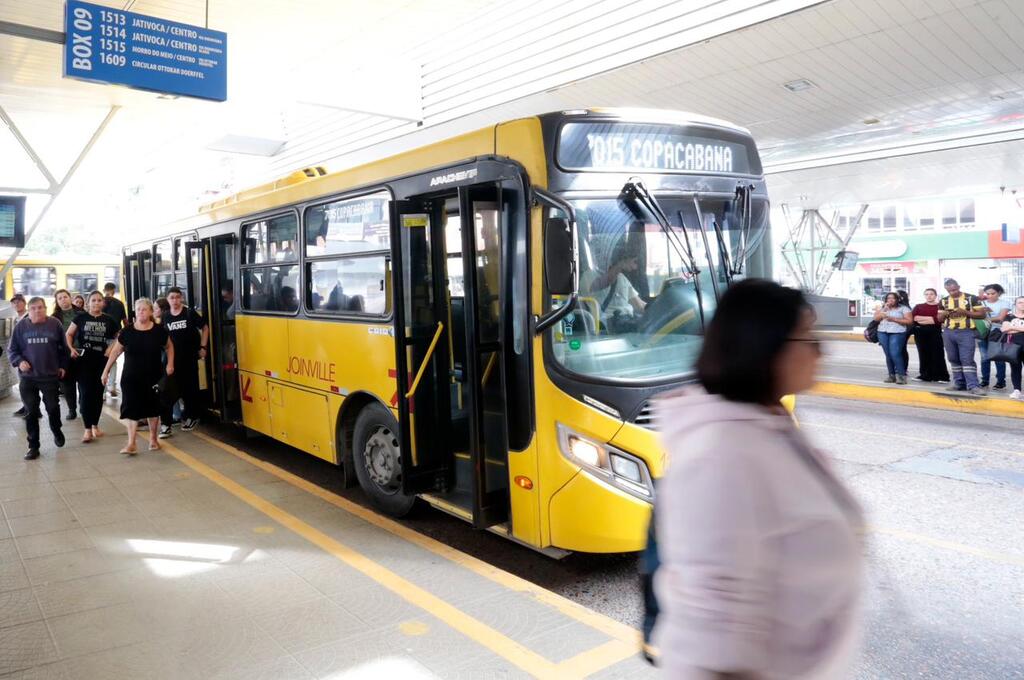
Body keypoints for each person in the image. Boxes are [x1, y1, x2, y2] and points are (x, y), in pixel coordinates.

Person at [654, 279, 863, 679]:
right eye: (808, 336)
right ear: (765, 346)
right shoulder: (721, 455)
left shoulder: (768, 423)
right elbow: (711, 628)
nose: (822, 349)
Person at [101, 298, 173, 454]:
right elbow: (115, 352)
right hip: (131, 377)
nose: (141, 312)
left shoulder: (159, 330)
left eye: (145, 309)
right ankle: (131, 443)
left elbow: (169, 346)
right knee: (131, 407)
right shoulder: (127, 331)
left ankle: (153, 440)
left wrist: (170, 364)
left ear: (151, 312)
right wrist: (105, 371)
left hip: (153, 376)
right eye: (138, 309)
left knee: (153, 408)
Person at [8, 297, 69, 460]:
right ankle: (33, 446)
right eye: (33, 308)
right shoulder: (21, 327)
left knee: (52, 408)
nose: (37, 311)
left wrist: (63, 366)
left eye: (40, 307)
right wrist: (19, 362)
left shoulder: (55, 324)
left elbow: (64, 349)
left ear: (45, 308)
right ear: (29, 310)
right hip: (28, 378)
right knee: (31, 412)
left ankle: (56, 429)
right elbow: (12, 350)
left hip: (49, 376)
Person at [65, 291, 119, 443]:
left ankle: (95, 425)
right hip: (84, 361)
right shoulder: (80, 317)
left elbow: (119, 336)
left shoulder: (109, 320)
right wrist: (71, 348)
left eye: (99, 300)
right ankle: (87, 429)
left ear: (103, 303)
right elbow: (69, 334)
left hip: (102, 361)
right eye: (93, 300)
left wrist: (111, 348)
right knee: (86, 393)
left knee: (98, 394)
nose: (96, 303)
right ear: (88, 303)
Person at [163, 287, 208, 432]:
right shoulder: (165, 316)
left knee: (190, 388)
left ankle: (192, 416)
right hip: (173, 359)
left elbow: (205, 328)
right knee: (172, 388)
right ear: (168, 300)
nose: (175, 301)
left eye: (177, 297)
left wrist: (203, 347)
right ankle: (172, 418)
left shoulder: (189, 313)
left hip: (189, 357)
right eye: (172, 298)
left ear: (181, 298)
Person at [581, 241, 647, 330]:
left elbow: (640, 306)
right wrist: (619, 265)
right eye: (634, 262)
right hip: (607, 326)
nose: (635, 267)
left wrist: (659, 306)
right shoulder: (588, 275)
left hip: (629, 322)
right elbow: (603, 283)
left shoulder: (621, 277)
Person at [938, 278, 987, 394]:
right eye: (949, 291)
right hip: (948, 332)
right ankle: (958, 383)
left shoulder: (971, 298)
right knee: (953, 358)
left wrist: (966, 312)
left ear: (959, 287)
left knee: (967, 359)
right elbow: (938, 319)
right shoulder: (943, 301)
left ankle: (973, 385)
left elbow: (982, 314)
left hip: (966, 332)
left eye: (954, 290)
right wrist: (944, 314)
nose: (952, 293)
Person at [51, 289, 79, 420]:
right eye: (60, 298)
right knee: (67, 384)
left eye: (65, 297)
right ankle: (72, 409)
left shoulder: (81, 313)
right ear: (57, 301)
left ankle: (84, 406)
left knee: (84, 382)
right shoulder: (54, 317)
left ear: (70, 297)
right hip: (64, 354)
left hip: (82, 352)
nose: (63, 300)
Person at [873, 292, 913, 384]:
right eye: (888, 298)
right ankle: (891, 375)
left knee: (895, 353)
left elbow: (909, 321)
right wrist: (884, 310)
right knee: (888, 354)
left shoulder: (904, 308)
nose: (890, 300)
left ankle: (901, 376)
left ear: (897, 299)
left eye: (893, 298)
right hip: (883, 332)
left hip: (897, 332)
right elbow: (876, 319)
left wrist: (894, 319)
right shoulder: (883, 308)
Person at [911, 288, 950, 382]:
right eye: (927, 294)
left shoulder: (940, 307)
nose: (929, 296)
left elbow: (938, 321)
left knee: (938, 354)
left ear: (935, 295)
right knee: (923, 354)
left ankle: (942, 376)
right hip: (920, 333)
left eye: (931, 294)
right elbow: (914, 318)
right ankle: (925, 375)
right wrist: (931, 319)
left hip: (935, 333)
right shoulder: (919, 306)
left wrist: (923, 319)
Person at [979, 284, 1011, 389]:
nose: (990, 295)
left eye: (993, 293)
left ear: (999, 293)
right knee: (984, 358)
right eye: (987, 293)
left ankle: (1001, 382)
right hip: (983, 332)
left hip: (998, 333)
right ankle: (984, 381)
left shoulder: (1005, 303)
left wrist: (982, 318)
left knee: (998, 358)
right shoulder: (981, 303)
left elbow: (1000, 318)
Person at [102, 282, 127, 397]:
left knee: (102, 361)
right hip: (115, 336)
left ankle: (103, 390)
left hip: (101, 336)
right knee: (113, 360)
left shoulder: (100, 302)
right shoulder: (119, 303)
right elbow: (125, 321)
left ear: (104, 290)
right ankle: (112, 385)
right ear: (113, 290)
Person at [996, 297, 1024, 400]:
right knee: (1015, 369)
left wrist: (1013, 327)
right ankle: (1017, 390)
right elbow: (1005, 329)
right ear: (1015, 304)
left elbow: (1010, 328)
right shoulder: (1009, 316)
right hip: (1013, 346)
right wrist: (1020, 329)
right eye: (1020, 302)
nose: (1022, 304)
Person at [8, 294, 29, 418]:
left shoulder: (27, 318)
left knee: (27, 384)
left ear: (24, 303)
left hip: (27, 356)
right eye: (14, 303)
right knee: (23, 384)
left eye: (19, 302)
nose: (16, 304)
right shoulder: (16, 318)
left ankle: (32, 409)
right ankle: (26, 406)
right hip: (19, 356)